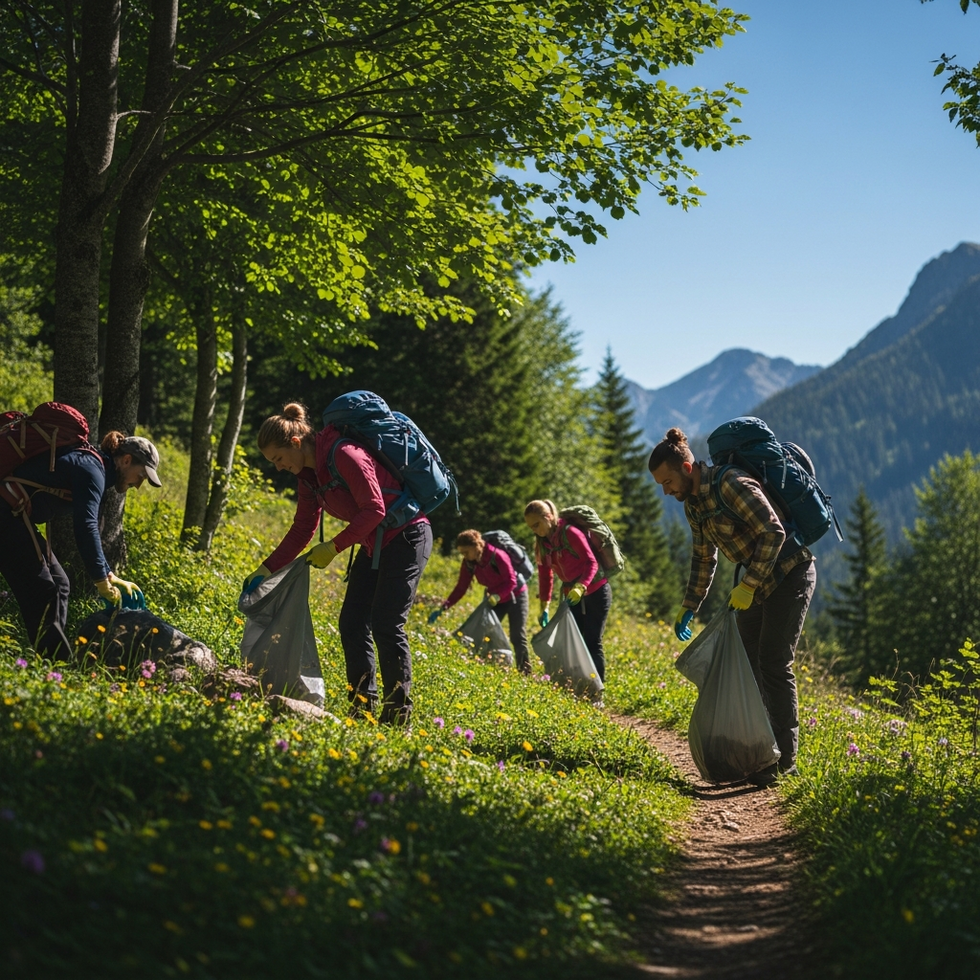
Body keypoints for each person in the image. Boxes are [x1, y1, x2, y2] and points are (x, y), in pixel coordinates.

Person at [649, 427, 816, 786]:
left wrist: (749, 585)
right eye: (661, 485)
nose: (666, 491)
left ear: (687, 468)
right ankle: (758, 753)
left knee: (773, 661)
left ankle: (785, 761)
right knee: (747, 663)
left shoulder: (731, 483)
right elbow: (703, 559)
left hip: (790, 573)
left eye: (667, 481)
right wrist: (689, 606)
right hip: (753, 584)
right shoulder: (693, 506)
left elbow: (774, 532)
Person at [248, 403, 432, 725]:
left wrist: (333, 547)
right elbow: (302, 529)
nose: (278, 467)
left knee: (387, 624)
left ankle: (397, 716)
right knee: (351, 622)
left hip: (407, 536)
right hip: (373, 543)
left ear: (294, 443)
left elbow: (374, 510)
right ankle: (362, 707)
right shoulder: (309, 478)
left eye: (278, 459)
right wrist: (266, 569)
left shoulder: (344, 454)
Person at [0, 431, 160, 659]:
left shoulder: (95, 467)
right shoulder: (92, 471)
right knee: (45, 590)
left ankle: (51, 660)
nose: (138, 485)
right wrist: (100, 580)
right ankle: (54, 665)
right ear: (126, 460)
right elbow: (86, 527)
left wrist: (109, 574)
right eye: (141, 475)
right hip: (6, 517)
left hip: (13, 516)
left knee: (60, 584)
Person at [523, 499, 611, 688]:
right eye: (531, 527)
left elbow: (591, 563)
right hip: (571, 596)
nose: (535, 530)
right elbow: (545, 576)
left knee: (592, 641)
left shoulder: (570, 533)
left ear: (548, 517)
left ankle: (598, 690)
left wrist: (581, 586)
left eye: (537, 524)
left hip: (596, 590)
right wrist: (544, 606)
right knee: (574, 641)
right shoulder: (542, 544)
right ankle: (579, 686)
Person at [429, 529, 531, 674]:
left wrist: (498, 595)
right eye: (461, 553)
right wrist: (444, 607)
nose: (464, 556)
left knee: (517, 635)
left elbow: (511, 581)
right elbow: (461, 587)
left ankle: (525, 672)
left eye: (466, 552)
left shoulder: (497, 556)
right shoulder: (469, 563)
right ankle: (492, 667)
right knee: (485, 633)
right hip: (494, 599)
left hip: (516, 595)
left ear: (477, 546)